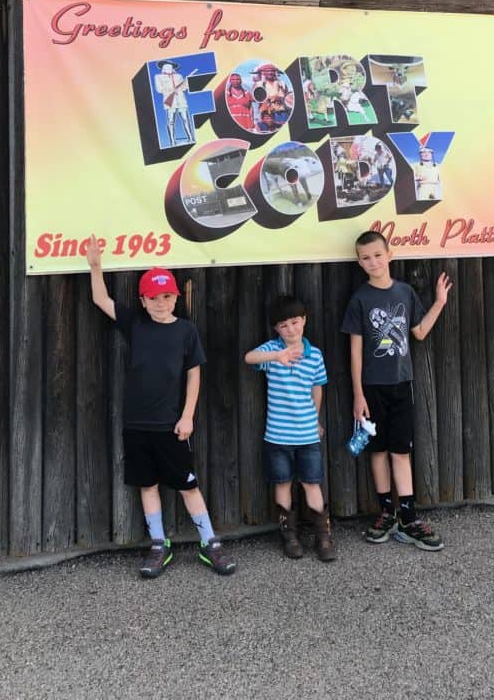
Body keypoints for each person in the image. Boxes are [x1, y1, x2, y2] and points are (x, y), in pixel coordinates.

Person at [86, 235, 236, 578]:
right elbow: (100, 298)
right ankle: (158, 544)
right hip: (137, 424)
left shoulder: (186, 330)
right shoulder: (135, 324)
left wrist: (187, 416)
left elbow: (194, 375)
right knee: (147, 485)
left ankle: (209, 542)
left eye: (166, 296)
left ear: (176, 297)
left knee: (188, 485)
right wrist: (96, 266)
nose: (160, 302)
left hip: (171, 425)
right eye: (153, 297)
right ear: (143, 299)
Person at [341, 230, 451, 550]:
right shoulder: (359, 299)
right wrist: (358, 394)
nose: (373, 262)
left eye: (377, 254)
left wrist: (440, 302)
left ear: (390, 254)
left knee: (400, 450)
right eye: (365, 258)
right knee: (377, 451)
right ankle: (386, 513)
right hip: (372, 387)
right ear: (360, 263)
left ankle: (408, 516)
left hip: (402, 384)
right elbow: (355, 351)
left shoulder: (404, 293)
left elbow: (418, 332)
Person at [245, 296, 336, 562]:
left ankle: (323, 536)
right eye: (283, 325)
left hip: (307, 434)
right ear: (276, 329)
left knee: (312, 482)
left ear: (304, 320)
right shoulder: (272, 350)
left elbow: (317, 387)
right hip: (277, 436)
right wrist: (277, 355)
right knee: (282, 483)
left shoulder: (315, 354)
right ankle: (290, 536)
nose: (291, 329)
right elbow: (249, 358)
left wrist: (316, 418)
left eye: (295, 322)